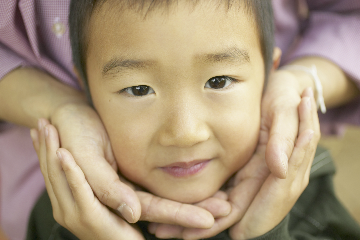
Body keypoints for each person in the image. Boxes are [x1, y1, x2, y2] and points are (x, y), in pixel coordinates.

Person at [0, 0, 359, 239]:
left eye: (218, 81)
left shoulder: (303, 190)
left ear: (270, 72)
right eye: (139, 89)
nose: (184, 133)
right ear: (85, 86)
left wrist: (265, 232)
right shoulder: (68, 210)